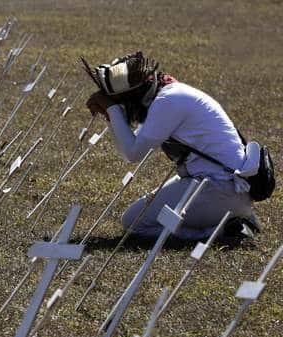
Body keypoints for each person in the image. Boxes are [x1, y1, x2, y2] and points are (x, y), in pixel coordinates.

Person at [83, 51, 261, 240]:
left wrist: (112, 109)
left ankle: (223, 231)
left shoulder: (168, 101)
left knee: (134, 223)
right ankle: (230, 217)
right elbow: (130, 148)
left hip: (221, 189)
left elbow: (133, 153)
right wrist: (111, 115)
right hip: (224, 187)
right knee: (138, 217)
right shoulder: (167, 94)